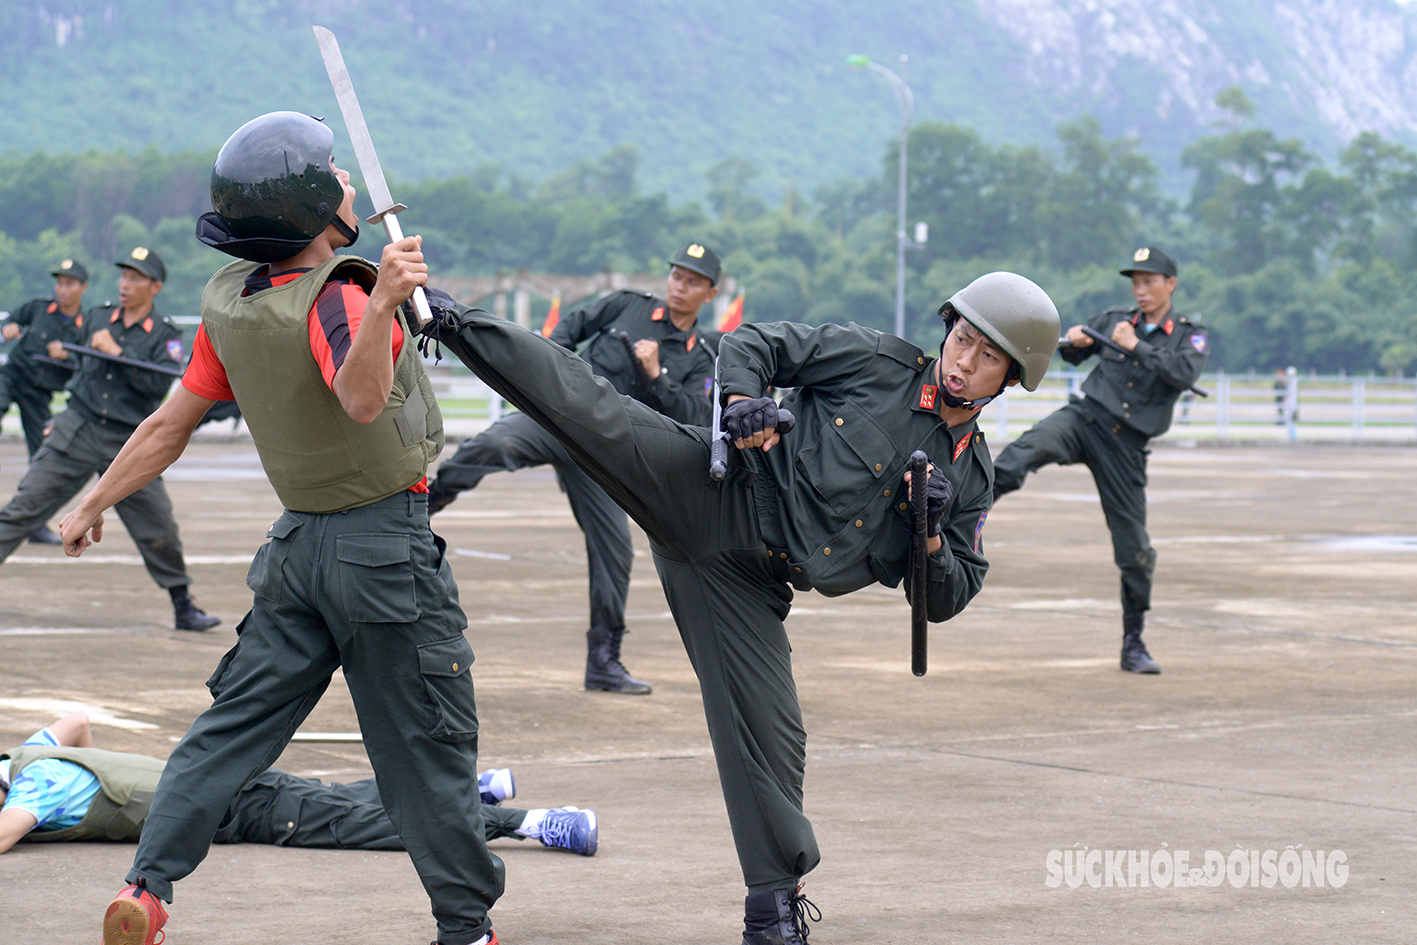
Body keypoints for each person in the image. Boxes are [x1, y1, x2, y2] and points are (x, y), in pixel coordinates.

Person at [420, 269, 1060, 944]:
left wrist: (929, 533)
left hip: (749, 584)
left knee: (773, 736)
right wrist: (744, 400)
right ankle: (454, 322)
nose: (963, 360)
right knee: (592, 408)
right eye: (961, 338)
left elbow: (950, 595)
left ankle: (773, 909)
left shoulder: (970, 476)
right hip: (711, 490)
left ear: (1012, 377)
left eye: (987, 356)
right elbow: (755, 342)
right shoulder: (876, 359)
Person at [60, 112, 503, 945]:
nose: (348, 182)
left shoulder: (232, 301)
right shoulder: (341, 293)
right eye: (334, 174)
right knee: (426, 746)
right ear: (313, 209)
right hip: (383, 553)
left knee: (228, 730)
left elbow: (167, 426)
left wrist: (90, 503)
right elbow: (363, 398)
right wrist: (385, 301)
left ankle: (147, 889)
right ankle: (465, 924)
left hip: (296, 552)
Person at [427, 243, 719, 695]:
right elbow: (573, 326)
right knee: (491, 446)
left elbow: (694, 415)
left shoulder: (701, 355)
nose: (681, 287)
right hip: (559, 415)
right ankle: (423, 506)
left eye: (693, 281)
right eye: (677, 276)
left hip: (607, 450)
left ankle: (604, 660)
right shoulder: (628, 304)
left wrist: (656, 373)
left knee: (615, 552)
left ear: (710, 293)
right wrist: (546, 377)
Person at [991, 246, 1208, 674]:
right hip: (1085, 418)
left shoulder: (1188, 333)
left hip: (1126, 446)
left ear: (1171, 284)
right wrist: (1077, 339)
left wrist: (1136, 347)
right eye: (1135, 282)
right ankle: (961, 515)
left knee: (1135, 551)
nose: (1140, 290)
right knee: (1020, 455)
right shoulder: (1113, 319)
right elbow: (1071, 350)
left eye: (1149, 282)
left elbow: (1184, 374)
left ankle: (1133, 642)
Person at [0, 713, 597, 858]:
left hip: (231, 809)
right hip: (215, 777)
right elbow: (74, 719)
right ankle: (475, 789)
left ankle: (531, 823)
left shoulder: (33, 793)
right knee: (335, 799)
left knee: (355, 825)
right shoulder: (35, 760)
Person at [0, 247, 219, 631]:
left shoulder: (165, 333)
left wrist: (116, 350)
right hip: (79, 428)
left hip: (130, 441)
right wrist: (61, 416)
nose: (124, 284)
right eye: (123, 276)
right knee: (24, 507)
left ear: (155, 286)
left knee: (158, 526)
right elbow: (79, 370)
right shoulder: (97, 317)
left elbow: (159, 383)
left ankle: (183, 604)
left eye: (135, 278)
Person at [0, 258, 91, 544]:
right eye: (59, 283)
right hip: (12, 377)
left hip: (40, 393)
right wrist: (9, 329)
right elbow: (9, 321)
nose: (62, 289)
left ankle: (33, 525)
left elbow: (90, 363)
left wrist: (69, 356)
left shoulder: (86, 324)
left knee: (42, 457)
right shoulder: (38, 307)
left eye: (69, 284)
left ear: (82, 288)